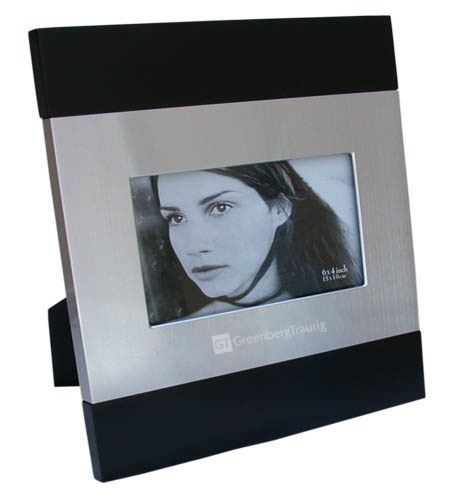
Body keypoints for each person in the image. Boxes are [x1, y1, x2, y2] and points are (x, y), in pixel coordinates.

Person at [142, 160, 363, 324]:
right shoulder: (181, 334)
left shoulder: (346, 307)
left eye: (220, 207)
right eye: (176, 218)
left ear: (279, 208)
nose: (194, 246)